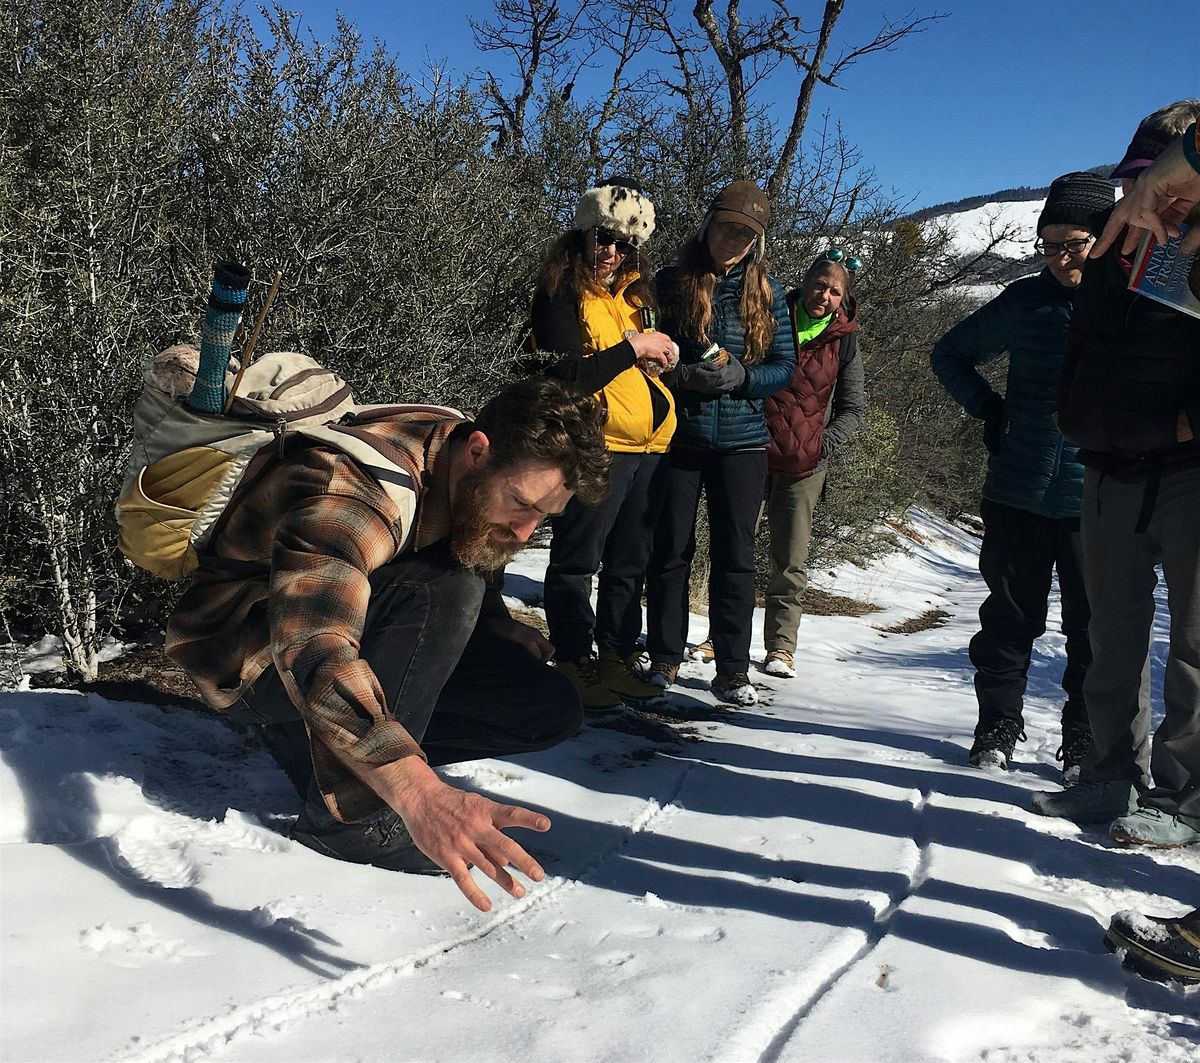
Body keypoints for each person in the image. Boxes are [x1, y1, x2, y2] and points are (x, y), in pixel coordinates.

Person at [166, 377, 610, 911]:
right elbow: (313, 643)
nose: (524, 532)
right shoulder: (351, 490)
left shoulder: (454, 452)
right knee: (445, 589)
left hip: (339, 639)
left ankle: (325, 749)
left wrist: (495, 623)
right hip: (250, 659)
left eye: (543, 518)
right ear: (478, 451)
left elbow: (462, 539)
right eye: (520, 503)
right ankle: (353, 820)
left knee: (545, 709)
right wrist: (421, 795)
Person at [1032, 100, 1200, 847]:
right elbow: (1082, 352)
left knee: (1195, 647)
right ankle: (1108, 778)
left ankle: (1184, 800)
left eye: (1163, 180)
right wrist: (1077, 417)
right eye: (1137, 179)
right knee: (1110, 637)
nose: (1154, 200)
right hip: (1107, 467)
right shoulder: (1107, 251)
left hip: (1191, 471)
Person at [930, 172, 1115, 778]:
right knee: (1009, 619)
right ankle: (997, 728)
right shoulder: (1023, 301)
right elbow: (949, 354)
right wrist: (990, 409)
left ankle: (1083, 738)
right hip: (1017, 490)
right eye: (1050, 244)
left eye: (1076, 243)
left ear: (1106, 237)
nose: (1062, 257)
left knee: (1094, 629)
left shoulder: (1130, 302)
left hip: (1099, 496)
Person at [645, 180, 795, 706]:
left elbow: (784, 368)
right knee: (670, 551)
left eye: (746, 234)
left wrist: (743, 379)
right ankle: (663, 657)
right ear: (708, 225)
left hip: (743, 442)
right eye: (728, 228)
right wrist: (684, 376)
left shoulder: (768, 293)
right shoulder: (670, 283)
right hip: (678, 437)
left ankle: (732, 668)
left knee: (736, 556)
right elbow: (647, 355)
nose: (735, 241)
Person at [529, 178, 677, 709]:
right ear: (582, 233)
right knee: (577, 559)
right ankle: (573, 659)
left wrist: (658, 357)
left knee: (628, 561)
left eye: (622, 243)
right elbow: (565, 376)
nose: (611, 251)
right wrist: (633, 347)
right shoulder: (559, 292)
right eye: (602, 237)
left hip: (650, 447)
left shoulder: (634, 296)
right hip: (597, 446)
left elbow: (629, 362)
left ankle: (615, 656)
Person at [760, 249, 865, 679]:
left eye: (834, 291)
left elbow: (854, 407)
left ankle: (781, 648)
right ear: (804, 281)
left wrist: (822, 446)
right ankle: (720, 638)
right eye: (819, 284)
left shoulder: (845, 339)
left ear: (844, 299)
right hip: (749, 453)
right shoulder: (769, 319)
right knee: (736, 551)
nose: (824, 295)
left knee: (790, 560)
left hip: (805, 467)